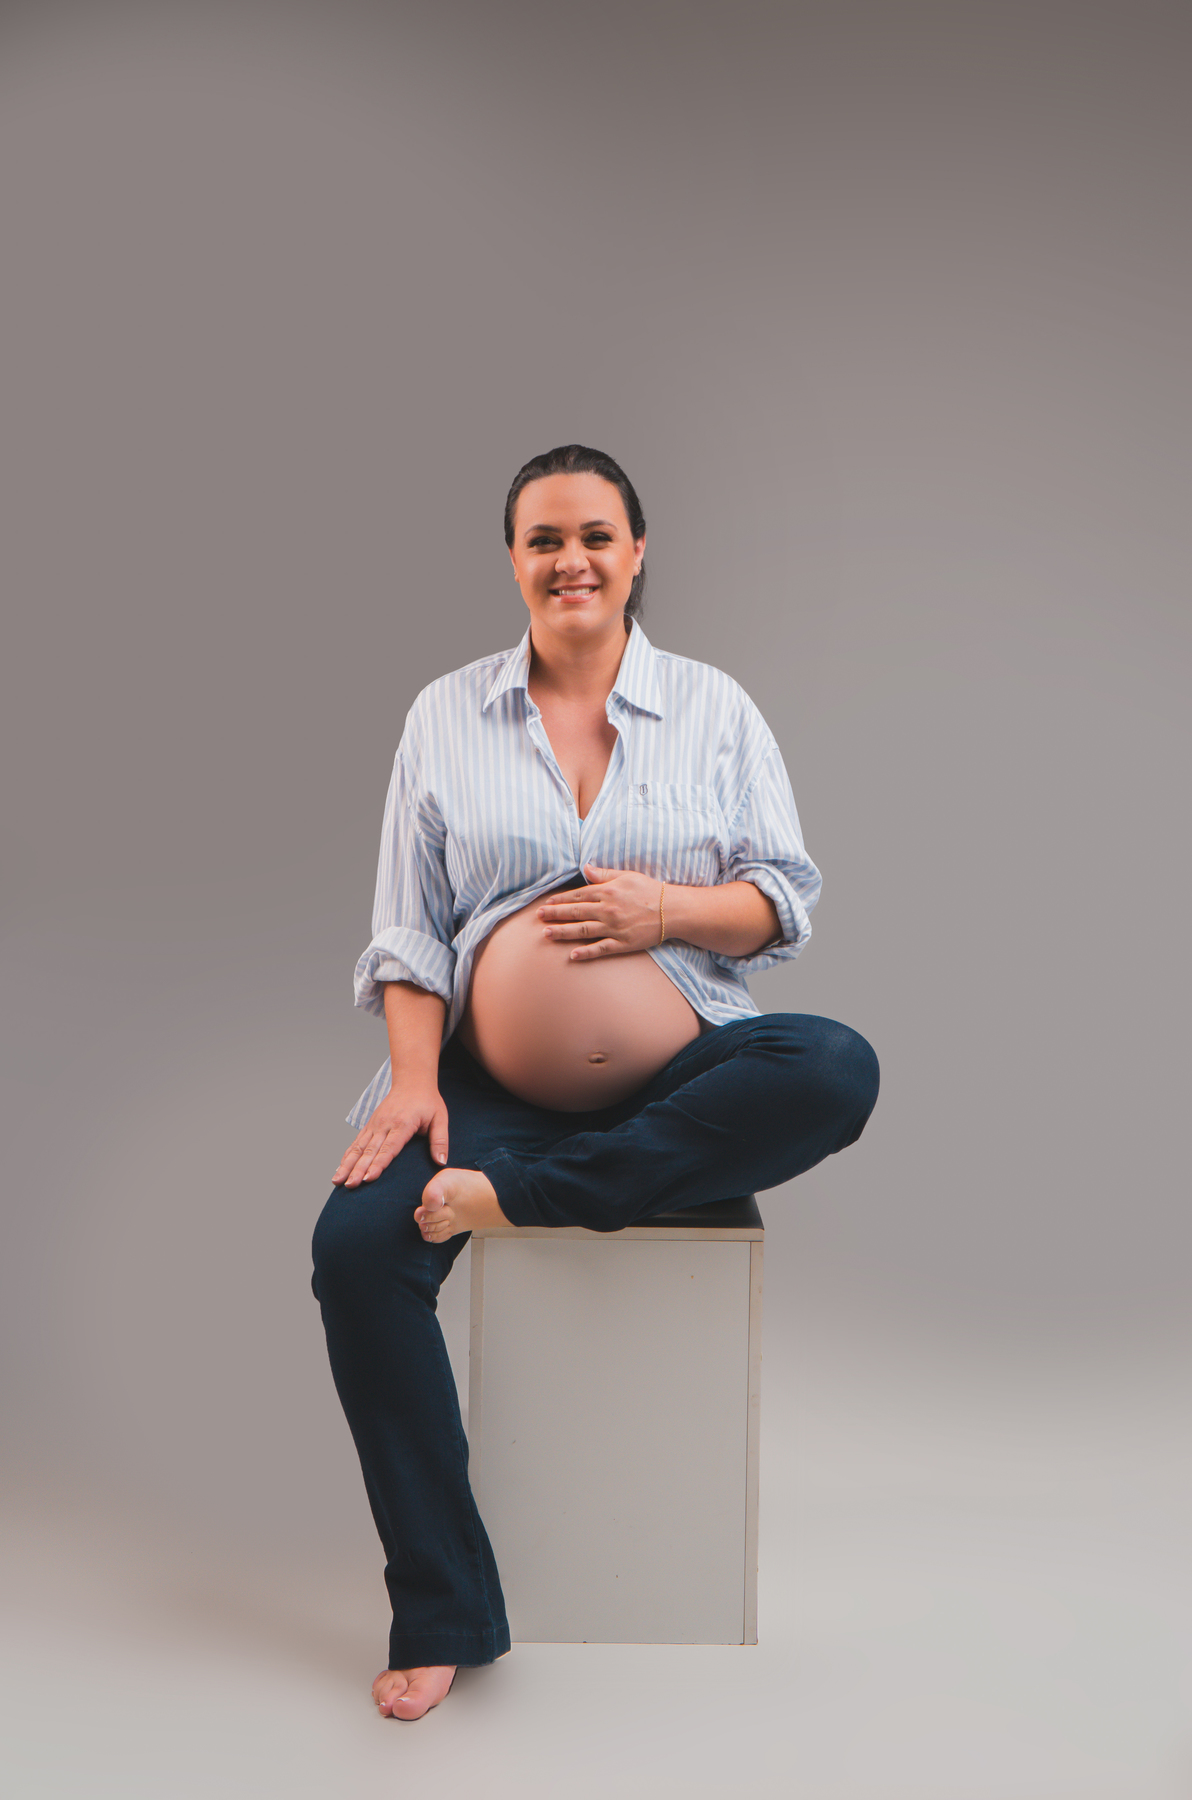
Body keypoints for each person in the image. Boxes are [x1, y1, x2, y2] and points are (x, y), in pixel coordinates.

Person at [311, 444, 879, 1720]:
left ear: (636, 553)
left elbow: (782, 903)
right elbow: (408, 933)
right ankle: (445, 1607)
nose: (571, 559)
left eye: (596, 536)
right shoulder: (444, 715)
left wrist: (664, 911)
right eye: (544, 538)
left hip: (684, 1066)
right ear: (514, 559)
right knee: (353, 1252)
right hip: (489, 1086)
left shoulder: (716, 708)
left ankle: (527, 1195)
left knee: (836, 1067)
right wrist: (414, 1084)